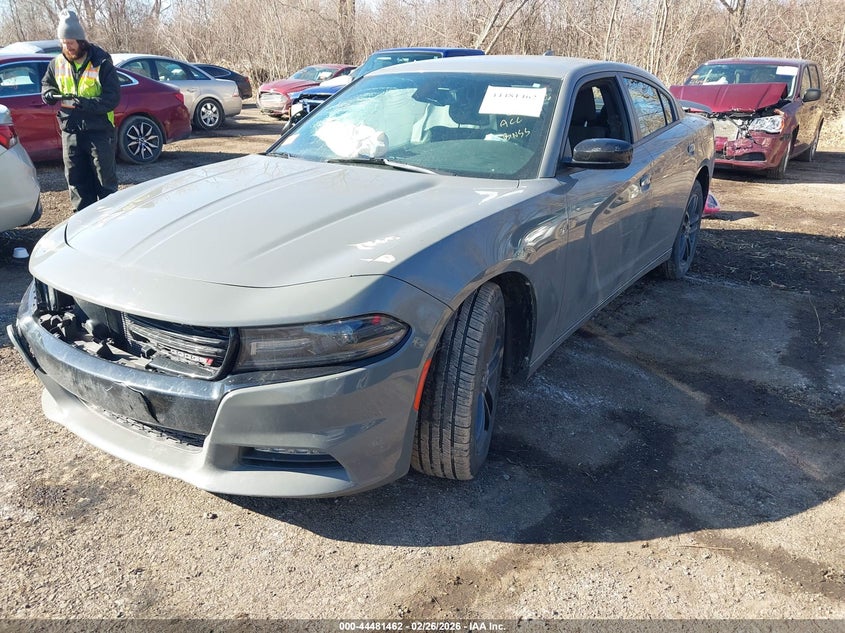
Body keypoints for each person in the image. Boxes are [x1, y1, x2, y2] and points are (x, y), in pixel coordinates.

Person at [41, 9, 120, 213]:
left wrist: (85, 103)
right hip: (71, 131)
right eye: (64, 43)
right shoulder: (56, 63)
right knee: (76, 182)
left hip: (99, 131)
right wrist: (48, 94)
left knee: (105, 182)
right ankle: (82, 221)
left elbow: (112, 99)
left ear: (81, 41)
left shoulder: (101, 62)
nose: (67, 47)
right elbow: (46, 85)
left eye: (71, 43)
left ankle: (109, 220)